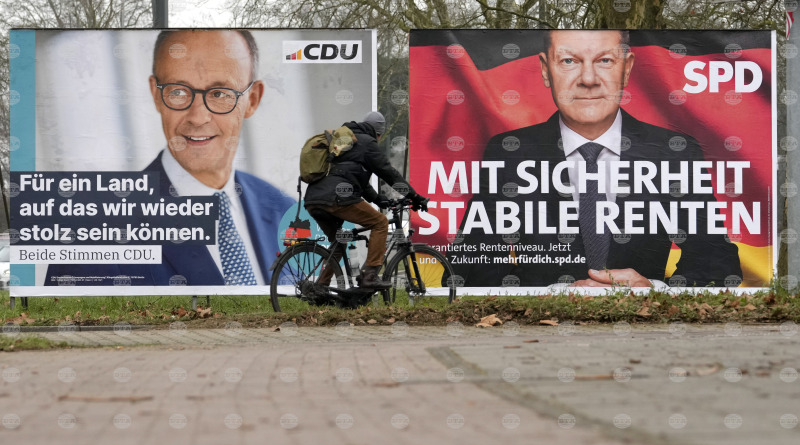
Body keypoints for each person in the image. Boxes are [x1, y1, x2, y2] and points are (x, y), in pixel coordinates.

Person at [454, 29, 742, 288]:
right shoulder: (509, 153)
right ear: (545, 70)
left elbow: (718, 267)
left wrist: (653, 292)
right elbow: (467, 271)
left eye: (605, 60)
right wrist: (548, 297)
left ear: (626, 69)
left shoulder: (674, 153)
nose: (588, 79)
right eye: (569, 61)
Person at [45, 30, 294, 286]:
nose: (198, 117)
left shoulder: (287, 212)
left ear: (252, 99)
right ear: (156, 95)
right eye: (178, 92)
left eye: (220, 93)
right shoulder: (92, 235)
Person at [304, 111, 427, 289]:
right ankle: (370, 275)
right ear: (379, 133)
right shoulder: (368, 143)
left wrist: (377, 199)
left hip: (314, 199)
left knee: (339, 241)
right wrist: (415, 197)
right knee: (380, 222)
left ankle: (320, 287)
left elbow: (353, 176)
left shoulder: (345, 140)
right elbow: (389, 173)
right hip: (337, 198)